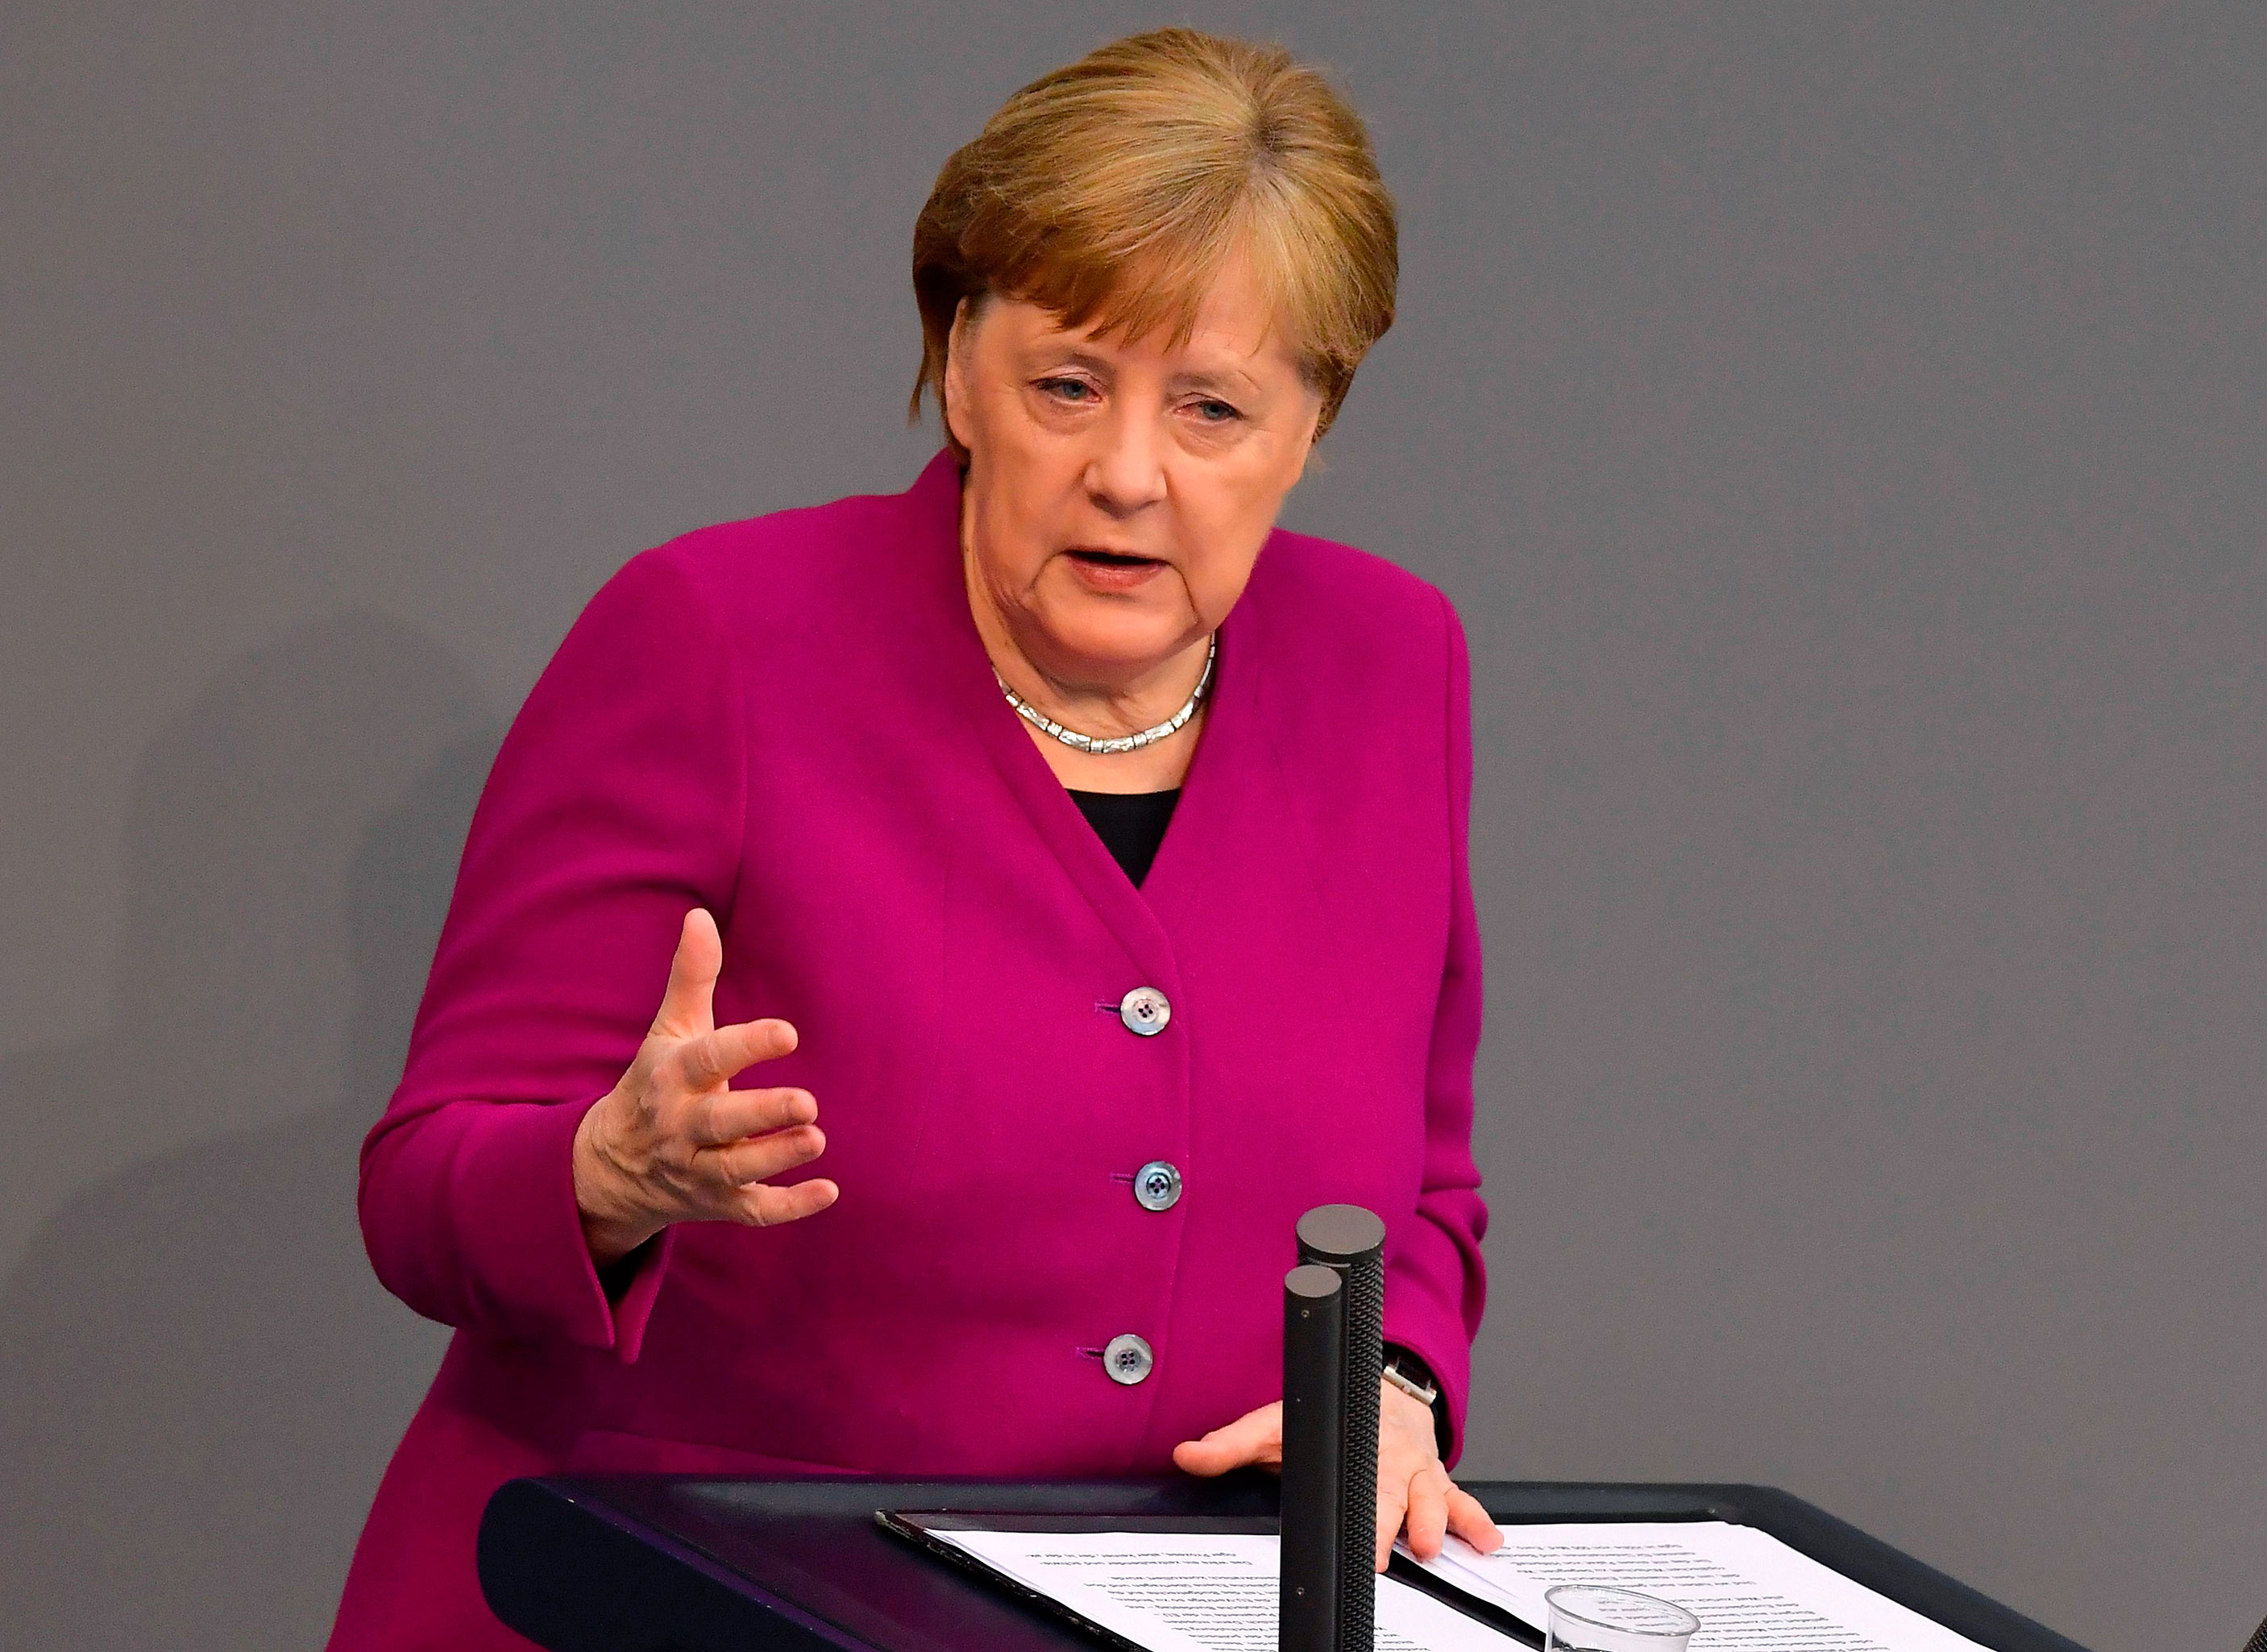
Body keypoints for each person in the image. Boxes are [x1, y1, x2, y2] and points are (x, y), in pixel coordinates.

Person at [331, 27, 1497, 1647]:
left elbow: (1423, 1188)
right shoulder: (713, 639)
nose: (1130, 471)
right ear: (959, 366)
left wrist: (1390, 1380)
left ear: (1313, 424)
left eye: (1215, 408)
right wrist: (606, 1170)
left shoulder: (1393, 667)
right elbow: (422, 1183)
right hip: (678, 1599)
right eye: (1068, 385)